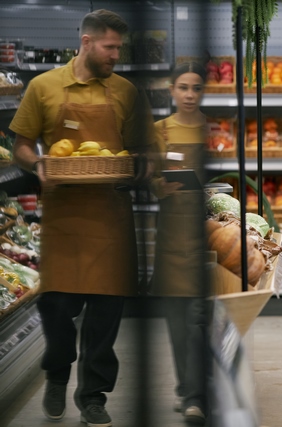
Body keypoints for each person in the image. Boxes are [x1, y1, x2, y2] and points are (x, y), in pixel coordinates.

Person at [9, 9, 154, 427]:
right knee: (56, 307)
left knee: (106, 314)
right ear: (87, 42)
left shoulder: (127, 91)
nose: (116, 55)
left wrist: (143, 165)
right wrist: (36, 164)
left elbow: (143, 149)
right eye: (110, 47)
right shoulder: (44, 86)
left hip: (110, 213)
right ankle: (57, 372)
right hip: (63, 215)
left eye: (119, 48)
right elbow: (21, 143)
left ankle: (93, 394)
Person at [149, 61, 209, 425]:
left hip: (210, 236)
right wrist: (159, 186)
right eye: (183, 87)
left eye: (197, 88)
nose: (189, 95)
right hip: (172, 236)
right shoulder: (158, 131)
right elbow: (150, 180)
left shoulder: (215, 130)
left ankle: (194, 393)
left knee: (199, 320)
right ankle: (187, 387)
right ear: (172, 90)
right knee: (177, 320)